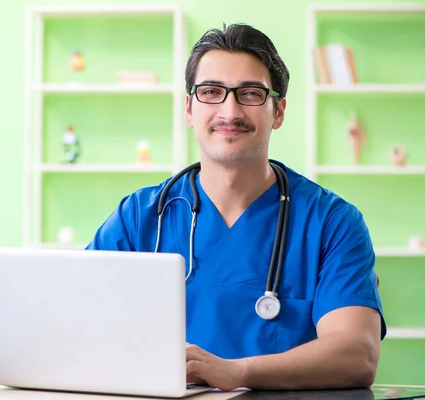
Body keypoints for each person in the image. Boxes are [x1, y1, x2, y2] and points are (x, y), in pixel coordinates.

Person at [85, 23, 385, 392]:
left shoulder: (332, 223)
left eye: (251, 93)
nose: (230, 110)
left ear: (278, 111)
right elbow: (80, 324)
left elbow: (357, 355)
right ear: (190, 108)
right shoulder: (139, 218)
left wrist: (237, 372)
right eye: (211, 92)